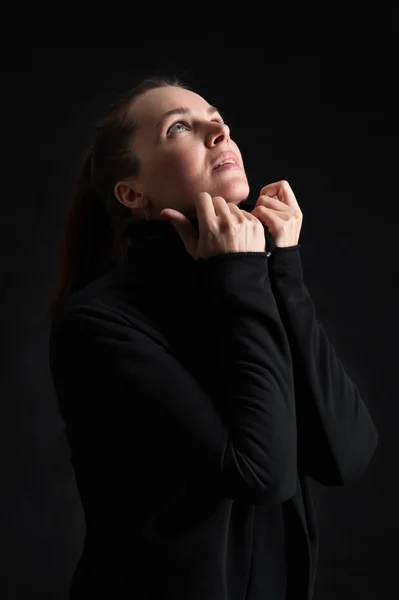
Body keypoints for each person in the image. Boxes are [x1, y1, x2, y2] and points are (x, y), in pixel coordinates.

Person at [48, 75, 379, 599]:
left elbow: (347, 455)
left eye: (217, 118)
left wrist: (283, 270)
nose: (219, 129)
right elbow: (261, 475)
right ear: (132, 193)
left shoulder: (245, 283)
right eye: (179, 127)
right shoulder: (97, 324)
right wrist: (246, 274)